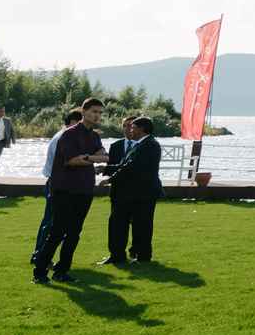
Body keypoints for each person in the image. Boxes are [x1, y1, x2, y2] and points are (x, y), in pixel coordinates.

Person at [35, 97, 109, 283]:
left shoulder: (95, 136)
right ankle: (40, 272)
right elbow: (72, 160)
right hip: (65, 188)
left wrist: (87, 157)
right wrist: (93, 158)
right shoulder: (68, 134)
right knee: (57, 231)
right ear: (83, 112)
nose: (97, 115)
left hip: (85, 189)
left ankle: (61, 271)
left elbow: (106, 158)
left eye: (100, 112)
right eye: (94, 111)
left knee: (75, 232)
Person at [100, 116, 162, 264]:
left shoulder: (149, 145)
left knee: (142, 226)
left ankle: (143, 256)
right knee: (117, 222)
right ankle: (117, 255)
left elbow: (132, 167)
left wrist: (110, 179)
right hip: (131, 193)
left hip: (144, 193)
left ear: (141, 129)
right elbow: (125, 164)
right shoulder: (140, 144)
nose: (129, 130)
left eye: (132, 127)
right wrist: (105, 168)